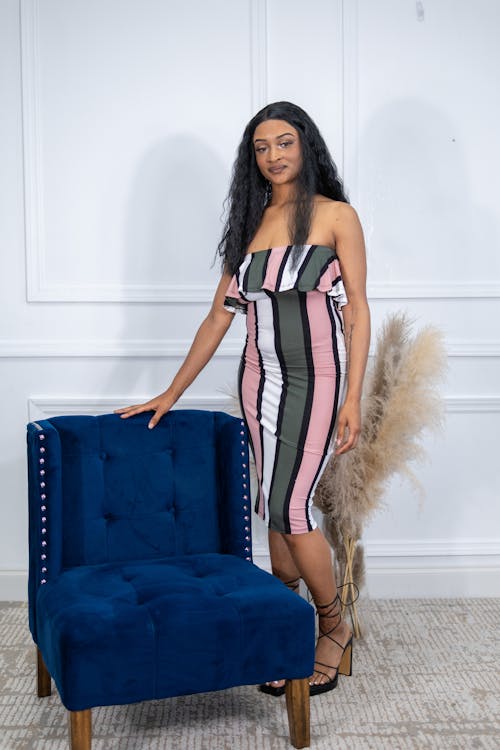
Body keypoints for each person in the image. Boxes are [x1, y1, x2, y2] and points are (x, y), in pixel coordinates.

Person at [116, 101, 370, 697]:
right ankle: (286, 630)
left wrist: (353, 396)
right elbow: (217, 319)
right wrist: (170, 393)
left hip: (319, 381)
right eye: (261, 147)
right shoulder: (249, 227)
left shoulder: (338, 216)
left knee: (290, 507)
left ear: (306, 146)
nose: (273, 155)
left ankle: (334, 627)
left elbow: (357, 309)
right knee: (273, 509)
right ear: (251, 159)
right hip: (259, 381)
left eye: (284, 142)